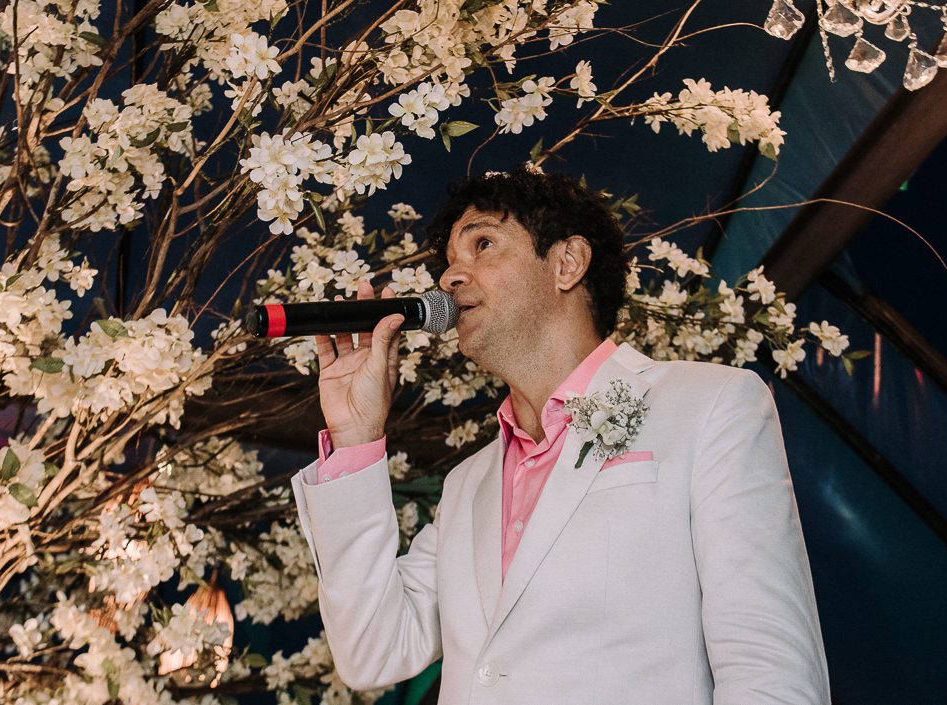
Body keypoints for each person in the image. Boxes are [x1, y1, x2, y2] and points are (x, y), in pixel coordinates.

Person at [290, 169, 831, 704]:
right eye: (449, 264)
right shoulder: (465, 485)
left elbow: (769, 669)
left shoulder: (710, 406)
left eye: (482, 244)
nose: (451, 279)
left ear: (567, 263)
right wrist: (356, 436)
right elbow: (374, 652)